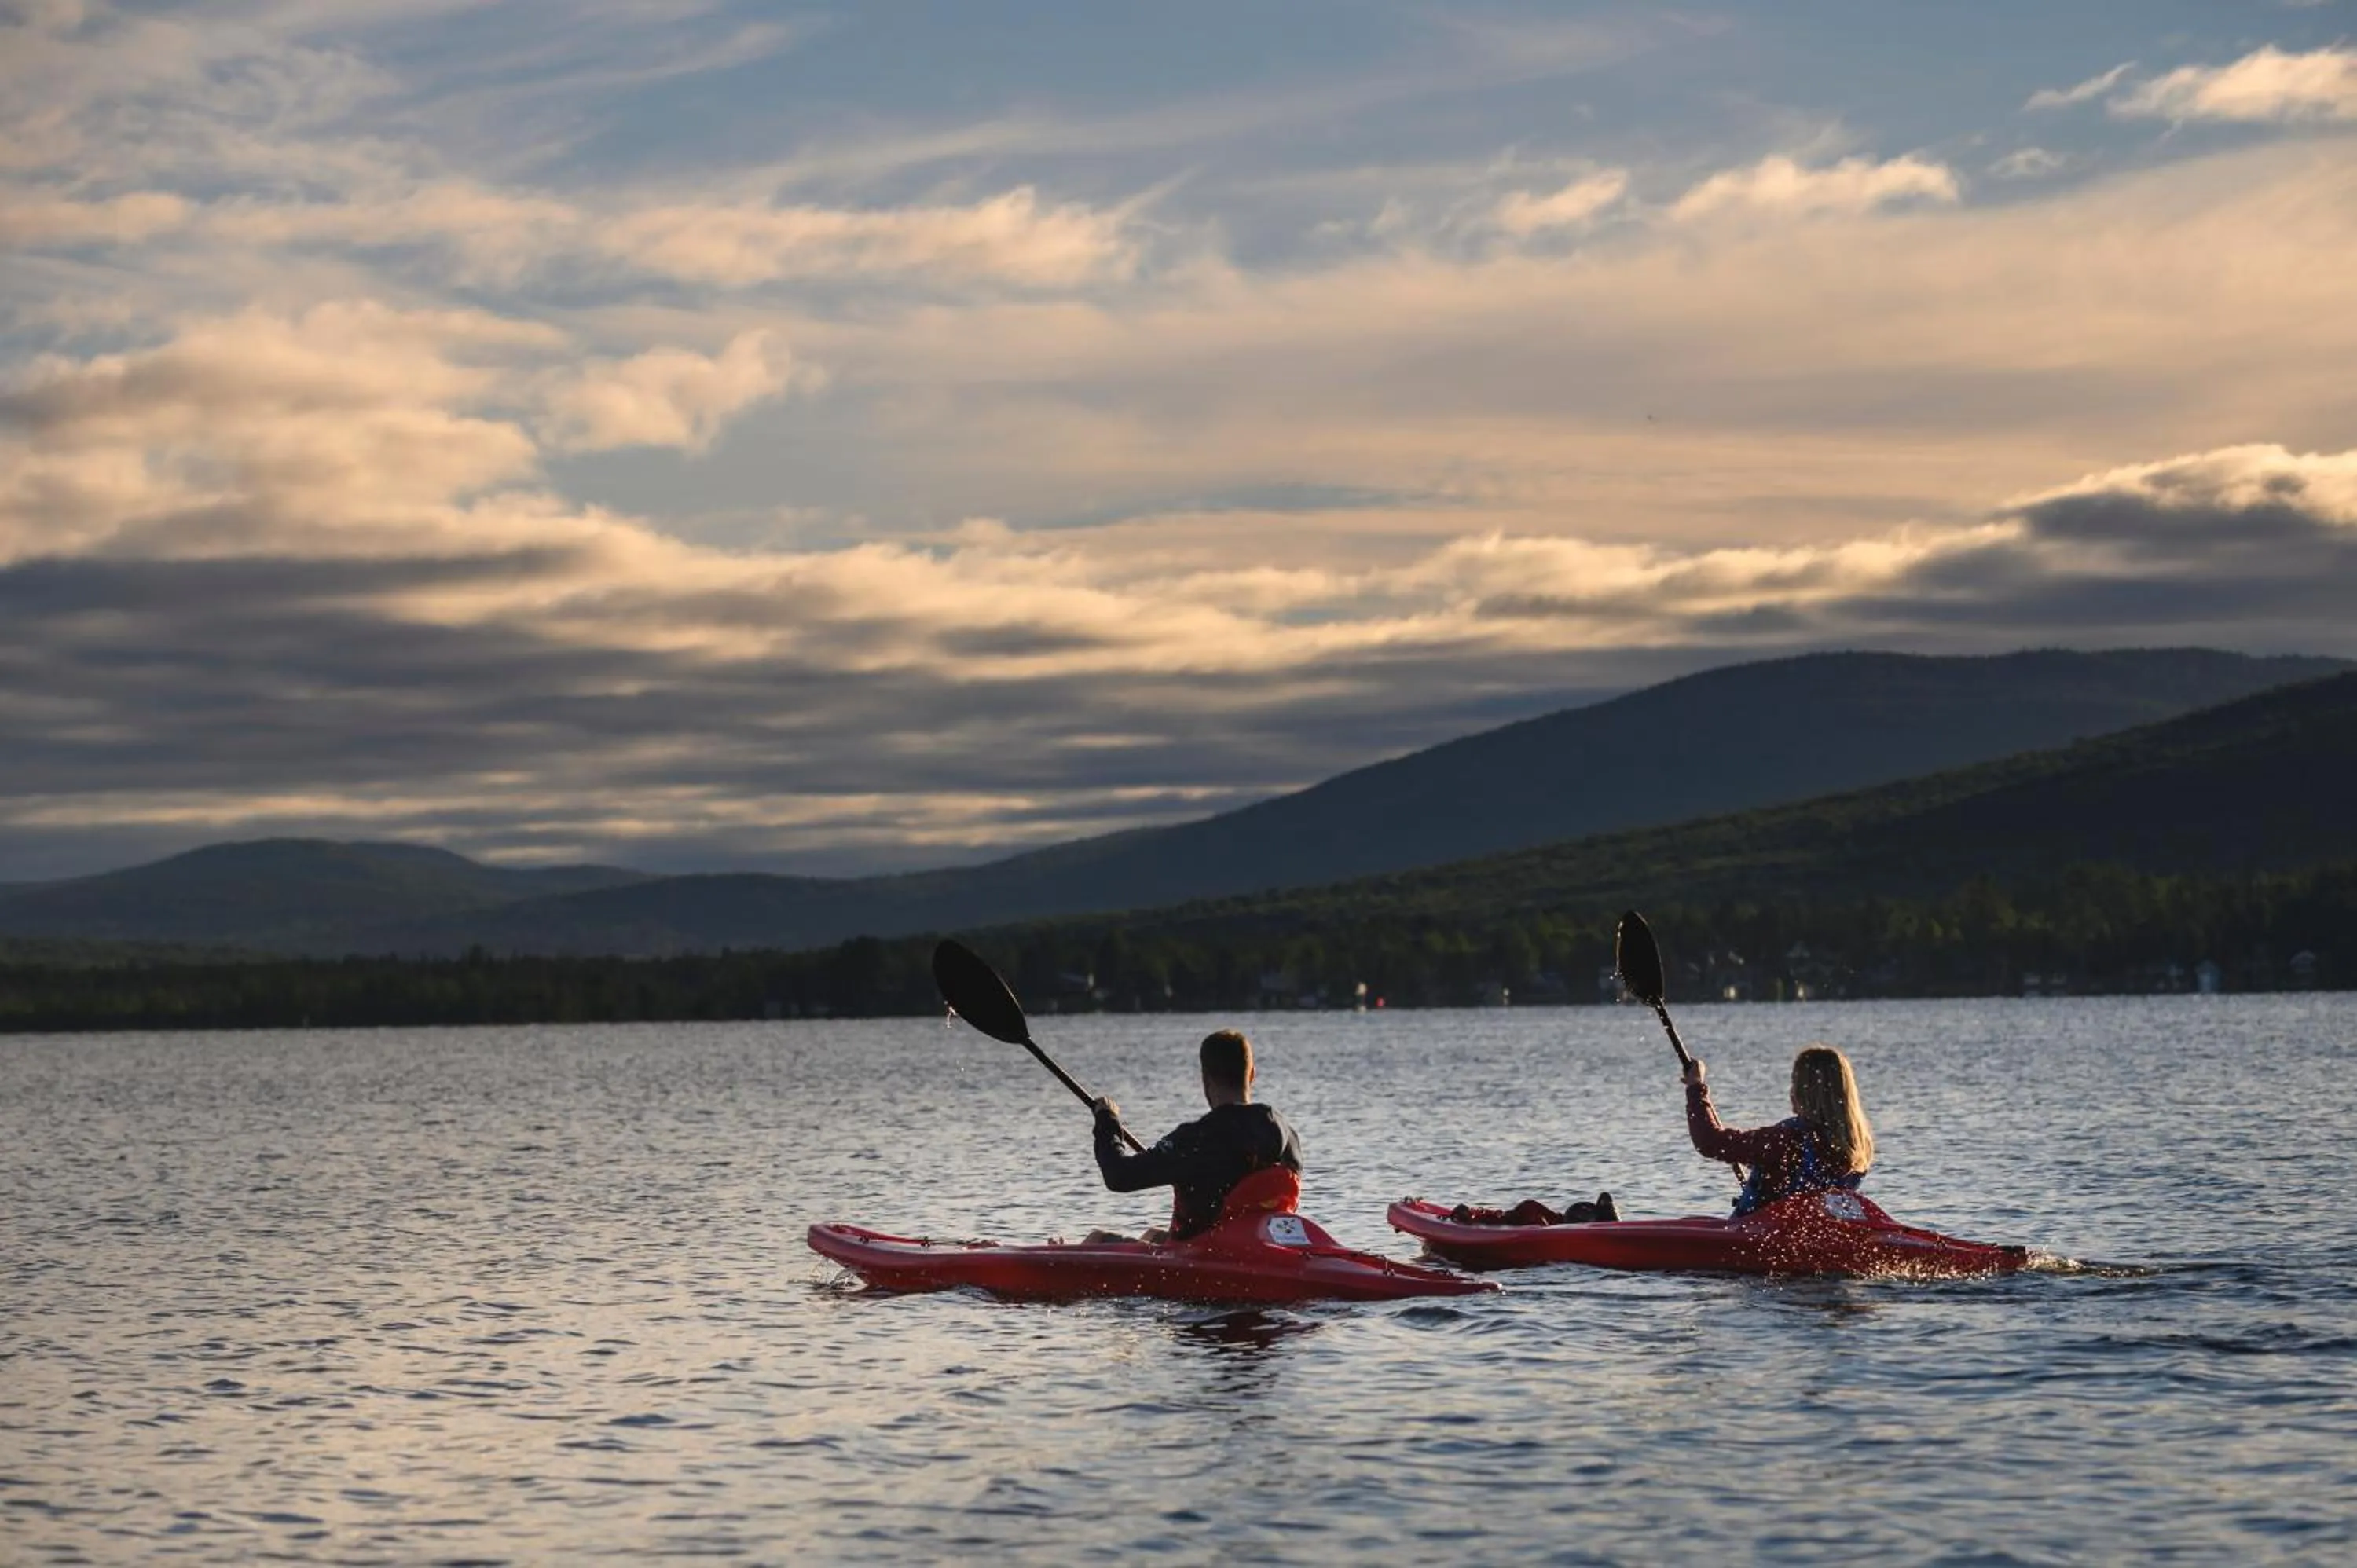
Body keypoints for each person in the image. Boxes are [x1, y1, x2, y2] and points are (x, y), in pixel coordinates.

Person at [1087, 1028, 1302, 1243]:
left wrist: (1107, 1120)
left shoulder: (1195, 1139)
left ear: (1205, 1080)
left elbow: (1118, 1176)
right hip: (1264, 1244)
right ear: (1252, 1074)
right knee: (1153, 1236)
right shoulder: (1286, 1133)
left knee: (1097, 1239)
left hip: (1205, 1251)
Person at [1683, 1043, 1875, 1216]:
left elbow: (1710, 1142)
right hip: (1813, 1234)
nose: (1791, 1091)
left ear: (1803, 1092)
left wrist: (1696, 1086)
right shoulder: (1858, 1146)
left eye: (1795, 1083)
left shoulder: (1785, 1139)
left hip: (1761, 1235)